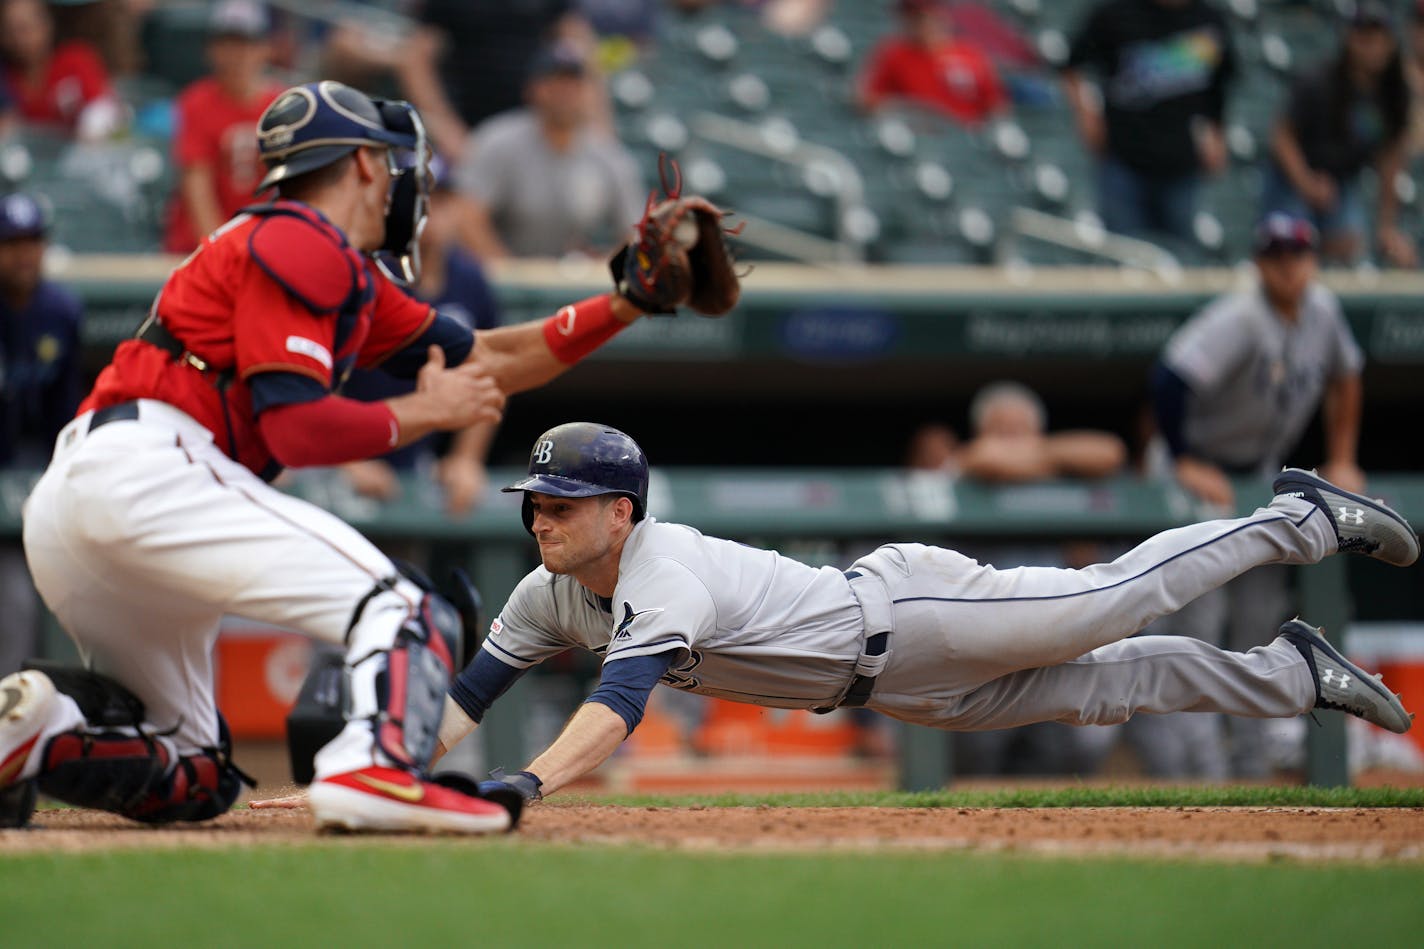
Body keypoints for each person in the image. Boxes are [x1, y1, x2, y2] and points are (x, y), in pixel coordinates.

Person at [0, 80, 682, 834]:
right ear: (362, 164)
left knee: (190, 771)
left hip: (89, 497)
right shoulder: (298, 235)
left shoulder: (329, 264)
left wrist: (626, 304)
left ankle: (35, 724)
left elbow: (492, 355)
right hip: (150, 466)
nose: (399, 181)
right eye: (390, 165)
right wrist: (423, 412)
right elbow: (295, 428)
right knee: (409, 611)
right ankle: (373, 771)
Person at [430, 422, 1416, 810]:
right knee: (1113, 688)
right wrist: (388, 772)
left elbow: (614, 709)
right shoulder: (543, 593)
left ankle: (1297, 517)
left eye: (559, 500)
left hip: (910, 616)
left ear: (620, 510)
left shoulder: (664, 566)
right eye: (534, 500)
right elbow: (469, 695)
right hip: (896, 692)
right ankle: (1294, 675)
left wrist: (523, 784)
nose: (538, 515)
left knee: (1113, 599)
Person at [1141, 212, 1367, 778]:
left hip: (1260, 473)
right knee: (1199, 620)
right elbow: (1169, 381)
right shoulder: (1240, 317)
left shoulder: (1324, 312)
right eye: (1277, 256)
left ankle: (1249, 765)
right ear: (1260, 263)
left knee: (1258, 622)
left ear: (1312, 260)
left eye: (1298, 255)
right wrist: (1187, 458)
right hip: (1197, 470)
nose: (1289, 266)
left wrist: (1343, 454)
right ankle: (1195, 775)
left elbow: (1348, 376)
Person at [338, 156, 503, 517]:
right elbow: (320, 377)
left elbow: (489, 374)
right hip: (337, 457)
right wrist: (345, 458)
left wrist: (465, 459)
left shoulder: (470, 279)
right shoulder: (362, 272)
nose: (430, 214)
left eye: (440, 200)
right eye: (418, 201)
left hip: (415, 457)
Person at [1060, 0, 1235, 243]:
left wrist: (1217, 133)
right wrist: (1086, 114)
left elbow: (1220, 85)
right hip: (1123, 160)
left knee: (1179, 260)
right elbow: (1071, 66)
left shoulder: (1209, 20)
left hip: (1182, 164)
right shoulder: (1116, 13)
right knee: (1123, 254)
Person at [452, 42, 643, 260]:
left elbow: (634, 233)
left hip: (573, 279)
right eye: (555, 83)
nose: (565, 94)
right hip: (501, 278)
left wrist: (606, 269)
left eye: (574, 85)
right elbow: (465, 215)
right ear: (532, 88)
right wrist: (509, 273)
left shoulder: (607, 153)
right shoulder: (499, 141)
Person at [1262, 1, 1415, 268]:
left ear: (1391, 42)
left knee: (1349, 252)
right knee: (1290, 254)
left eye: (1379, 38)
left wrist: (1387, 226)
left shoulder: (1393, 93)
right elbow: (1282, 138)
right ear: (1349, 39)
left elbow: (1390, 160)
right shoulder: (1319, 82)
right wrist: (1307, 182)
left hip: (1342, 184)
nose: (1371, 46)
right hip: (1294, 180)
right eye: (1363, 37)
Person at [0, 192, 82, 678]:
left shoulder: (60, 311)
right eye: (12, 244)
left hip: (33, 477)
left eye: (33, 242)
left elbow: (63, 413)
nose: (24, 254)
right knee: (13, 602)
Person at [396, 0, 592, 164]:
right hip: (468, 128)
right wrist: (449, 133)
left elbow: (576, 45)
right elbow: (417, 59)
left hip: (533, 133)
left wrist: (596, 128)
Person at [162, 0, 285, 255]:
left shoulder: (283, 105)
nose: (237, 54)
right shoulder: (196, 103)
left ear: (265, 48)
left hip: (264, 245)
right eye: (227, 43)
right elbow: (198, 189)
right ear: (211, 50)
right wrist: (220, 251)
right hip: (199, 250)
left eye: (247, 43)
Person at [856, 0, 1009, 127]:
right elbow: (868, 100)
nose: (916, 21)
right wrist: (902, 110)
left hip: (965, 140)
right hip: (917, 136)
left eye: (921, 15)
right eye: (910, 15)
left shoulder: (971, 54)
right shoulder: (893, 54)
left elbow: (995, 106)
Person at [0, 0, 122, 140]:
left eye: (25, 28)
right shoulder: (6, 78)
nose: (19, 40)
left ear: (47, 24)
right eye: (9, 32)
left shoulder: (76, 59)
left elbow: (102, 106)